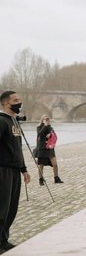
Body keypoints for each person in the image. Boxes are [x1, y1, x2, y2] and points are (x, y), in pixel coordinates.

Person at [0, 91, 31, 253]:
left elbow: (18, 148)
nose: (19, 102)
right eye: (15, 100)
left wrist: (23, 169)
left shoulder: (14, 122)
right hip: (3, 170)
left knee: (12, 207)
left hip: (15, 170)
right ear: (6, 103)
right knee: (2, 207)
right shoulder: (1, 121)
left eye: (19, 99)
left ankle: (4, 239)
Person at [36, 115, 63, 185]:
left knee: (55, 164)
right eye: (45, 119)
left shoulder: (51, 127)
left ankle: (56, 178)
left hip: (50, 148)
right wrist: (45, 125)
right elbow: (40, 134)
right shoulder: (39, 127)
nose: (47, 120)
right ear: (42, 120)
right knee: (41, 165)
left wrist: (51, 134)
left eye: (48, 119)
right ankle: (41, 179)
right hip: (42, 148)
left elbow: (55, 136)